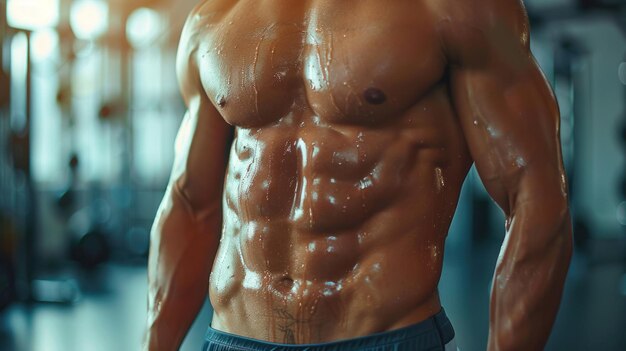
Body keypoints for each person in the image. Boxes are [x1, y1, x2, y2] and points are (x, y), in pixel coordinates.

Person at [143, 0, 573, 350]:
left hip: (385, 336)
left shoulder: (456, 10)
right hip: (235, 337)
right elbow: (189, 203)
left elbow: (535, 196)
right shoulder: (215, 18)